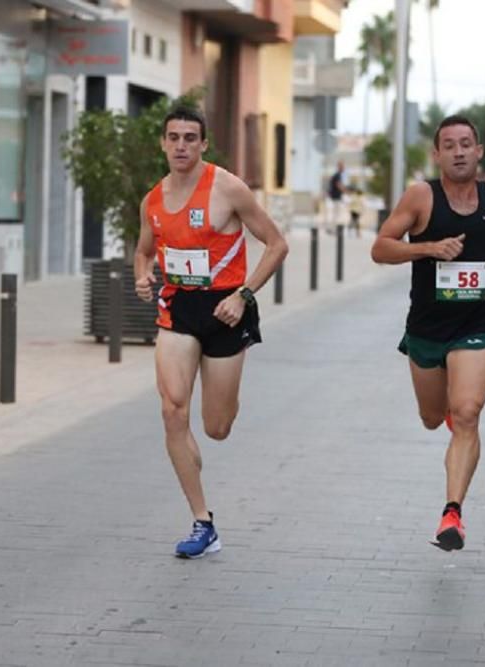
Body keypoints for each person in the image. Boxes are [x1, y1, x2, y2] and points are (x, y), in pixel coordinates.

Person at [370, 115, 485, 551]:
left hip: (476, 329)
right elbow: (380, 247)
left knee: (467, 414)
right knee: (431, 417)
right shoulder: (421, 197)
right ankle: (446, 411)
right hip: (425, 330)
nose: (459, 151)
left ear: (479, 151)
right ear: (437, 154)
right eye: (450, 144)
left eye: (466, 144)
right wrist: (427, 248)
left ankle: (452, 515)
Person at [134, 106, 289, 559]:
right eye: (173, 137)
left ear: (204, 144)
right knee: (172, 411)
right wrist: (143, 277)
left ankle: (202, 442)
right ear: (163, 144)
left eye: (190, 137)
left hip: (226, 310)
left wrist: (244, 294)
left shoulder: (227, 188)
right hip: (179, 309)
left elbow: (277, 245)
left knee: (215, 427)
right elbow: (143, 252)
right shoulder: (153, 200)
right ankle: (203, 521)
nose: (181, 145)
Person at [326, 161, 347, 233]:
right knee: (336, 214)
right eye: (343, 167)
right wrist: (345, 191)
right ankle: (333, 229)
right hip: (336, 197)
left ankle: (331, 228)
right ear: (339, 167)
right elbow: (338, 185)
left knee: (335, 214)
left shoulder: (336, 175)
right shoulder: (338, 175)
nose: (344, 168)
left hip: (334, 197)